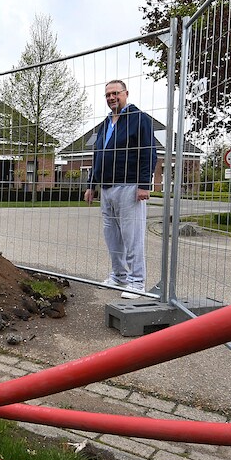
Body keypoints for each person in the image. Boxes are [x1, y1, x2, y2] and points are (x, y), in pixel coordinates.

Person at [83, 80, 158, 299]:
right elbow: (98, 156)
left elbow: (149, 152)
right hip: (107, 188)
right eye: (107, 95)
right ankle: (118, 276)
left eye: (115, 93)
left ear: (126, 94)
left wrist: (144, 184)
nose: (111, 98)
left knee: (132, 235)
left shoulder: (139, 119)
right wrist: (91, 185)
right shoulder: (105, 124)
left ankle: (136, 282)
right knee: (112, 235)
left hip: (129, 186)